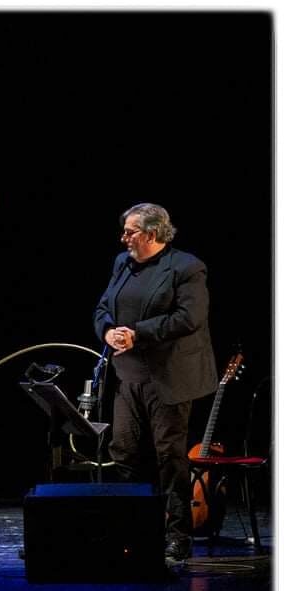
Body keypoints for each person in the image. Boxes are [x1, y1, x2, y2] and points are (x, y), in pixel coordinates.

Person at [93, 202, 216, 561]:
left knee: (169, 457)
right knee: (123, 452)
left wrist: (138, 334)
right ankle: (129, 529)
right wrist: (109, 331)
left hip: (170, 377)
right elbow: (103, 307)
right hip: (129, 375)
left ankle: (178, 535)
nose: (123, 238)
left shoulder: (187, 267)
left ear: (151, 233)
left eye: (130, 232)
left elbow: (189, 317)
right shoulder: (123, 264)